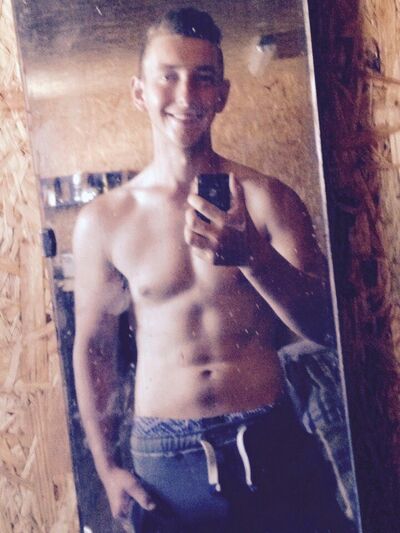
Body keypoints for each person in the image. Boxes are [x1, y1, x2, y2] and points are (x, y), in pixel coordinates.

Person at [72, 7, 351, 533]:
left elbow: (325, 328)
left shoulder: (269, 199)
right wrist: (106, 468)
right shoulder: (103, 221)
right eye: (168, 76)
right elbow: (95, 350)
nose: (186, 95)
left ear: (222, 94)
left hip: (270, 438)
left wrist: (253, 257)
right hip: (164, 460)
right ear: (139, 92)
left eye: (203, 78)